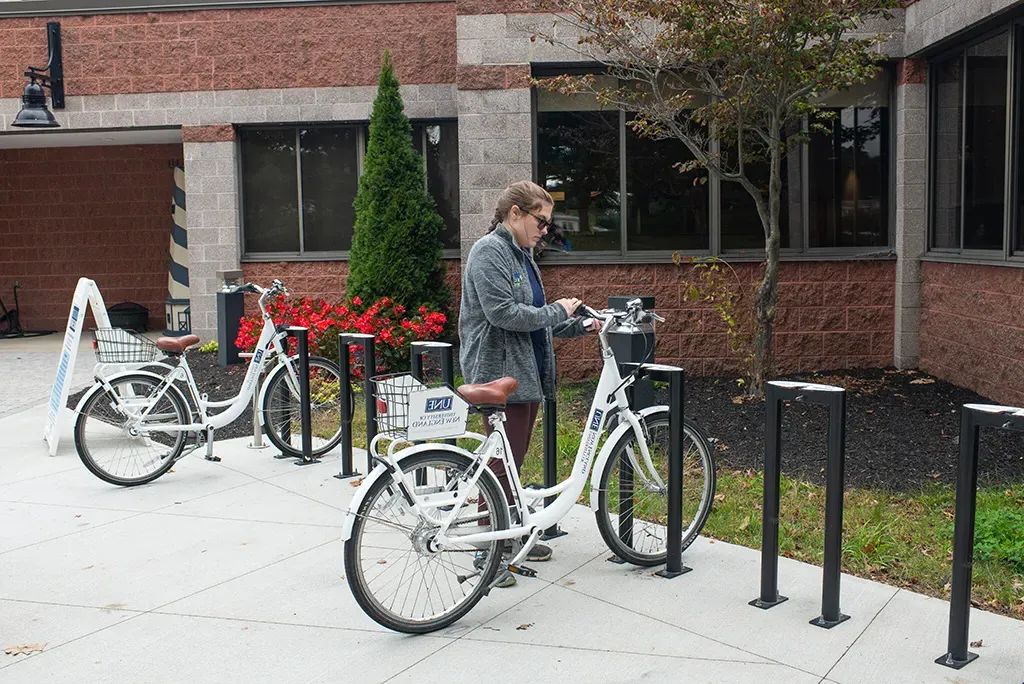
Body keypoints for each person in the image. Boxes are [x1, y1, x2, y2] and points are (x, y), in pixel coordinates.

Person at [459, 181, 598, 587]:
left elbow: (536, 317)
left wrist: (585, 324)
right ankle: (488, 552)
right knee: (500, 468)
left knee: (512, 462)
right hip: (498, 371)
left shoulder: (521, 254)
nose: (545, 230)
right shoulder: (488, 251)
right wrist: (557, 310)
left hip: (524, 370)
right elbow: (504, 314)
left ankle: (512, 533)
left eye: (548, 223)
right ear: (515, 213)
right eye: (541, 221)